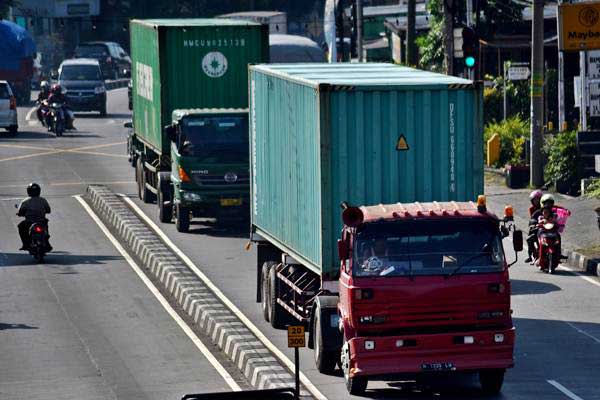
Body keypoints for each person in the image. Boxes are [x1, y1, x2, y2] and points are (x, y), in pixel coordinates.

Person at [17, 183, 52, 251]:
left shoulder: (25, 201)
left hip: (29, 222)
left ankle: (25, 244)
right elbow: (48, 210)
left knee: (21, 226)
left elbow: (20, 211)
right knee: (46, 224)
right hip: (41, 221)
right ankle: (47, 242)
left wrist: (20, 214)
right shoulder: (43, 200)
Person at [525, 190, 543, 263]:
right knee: (529, 239)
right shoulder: (531, 209)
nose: (536, 201)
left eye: (537, 199)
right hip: (535, 225)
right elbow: (532, 218)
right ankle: (530, 255)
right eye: (534, 200)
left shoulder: (545, 207)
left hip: (545, 225)